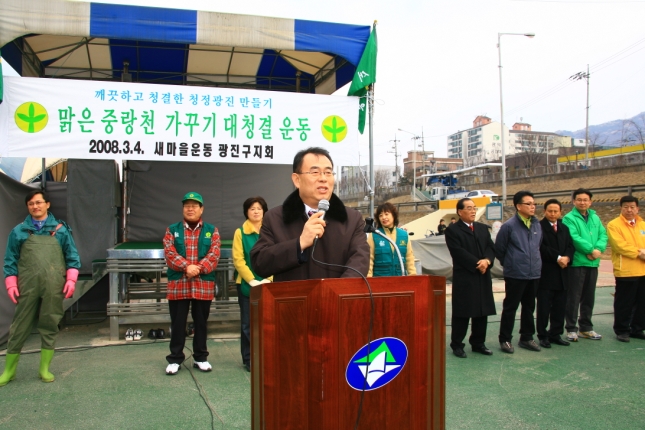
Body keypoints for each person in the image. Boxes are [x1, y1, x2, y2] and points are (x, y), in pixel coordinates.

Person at [251, 147, 369, 281]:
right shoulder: (275, 218)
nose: (323, 178)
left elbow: (360, 261)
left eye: (328, 172)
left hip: (337, 300)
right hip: (293, 301)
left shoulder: (352, 219)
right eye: (315, 172)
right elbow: (260, 263)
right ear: (297, 180)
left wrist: (336, 293)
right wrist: (299, 244)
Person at [0, 190, 80, 387]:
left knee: (50, 323)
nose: (35, 206)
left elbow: (72, 256)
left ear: (47, 204)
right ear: (28, 207)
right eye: (31, 204)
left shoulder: (61, 230)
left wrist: (71, 279)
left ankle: (44, 368)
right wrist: (10, 282)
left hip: (54, 284)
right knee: (20, 325)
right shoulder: (19, 231)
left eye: (38, 202)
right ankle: (9, 370)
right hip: (27, 285)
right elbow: (10, 259)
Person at [162, 192, 221, 375]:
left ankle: (200, 357)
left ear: (201, 209)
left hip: (203, 286)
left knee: (201, 323)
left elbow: (214, 254)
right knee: (178, 322)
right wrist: (187, 267)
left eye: (195, 205)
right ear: (183, 209)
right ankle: (175, 358)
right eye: (187, 205)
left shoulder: (212, 230)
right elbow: (169, 253)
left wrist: (198, 268)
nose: (190, 208)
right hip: (179, 285)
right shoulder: (172, 229)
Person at [445, 198, 496, 358]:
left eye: (474, 208)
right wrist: (477, 263)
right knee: (462, 312)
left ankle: (478, 343)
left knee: (482, 311)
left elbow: (490, 247)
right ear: (460, 212)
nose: (473, 211)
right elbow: (458, 252)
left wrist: (487, 261)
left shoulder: (482, 228)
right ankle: (457, 344)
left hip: (483, 275)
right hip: (465, 276)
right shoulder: (453, 230)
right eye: (469, 208)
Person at [495, 191, 543, 353]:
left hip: (534, 273)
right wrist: (511, 264)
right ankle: (505, 339)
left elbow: (538, 246)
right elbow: (500, 250)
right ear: (518, 206)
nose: (532, 207)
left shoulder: (537, 224)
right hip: (515, 274)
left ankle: (527, 337)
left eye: (533, 203)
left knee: (529, 306)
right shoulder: (509, 226)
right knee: (511, 307)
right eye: (528, 204)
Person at [562, 188, 607, 341]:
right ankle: (571, 328)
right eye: (579, 199)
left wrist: (598, 249)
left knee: (589, 296)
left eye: (585, 200)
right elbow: (574, 237)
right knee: (574, 297)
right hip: (578, 263)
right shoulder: (569, 218)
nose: (582, 202)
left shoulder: (595, 217)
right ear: (574, 201)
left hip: (593, 263)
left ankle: (586, 328)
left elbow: (603, 235)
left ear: (590, 202)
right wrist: (589, 250)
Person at [232, 196, 272, 372]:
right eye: (252, 209)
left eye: (259, 208)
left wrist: (268, 279)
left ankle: (266, 356)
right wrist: (252, 280)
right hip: (247, 284)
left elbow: (275, 256)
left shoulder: (271, 231)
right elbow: (238, 260)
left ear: (264, 211)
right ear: (246, 212)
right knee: (248, 324)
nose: (256, 211)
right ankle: (248, 358)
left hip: (268, 283)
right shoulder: (240, 232)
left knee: (267, 323)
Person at [536, 199, 575, 348]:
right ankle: (542, 335)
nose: (553, 214)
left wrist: (567, 257)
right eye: (550, 211)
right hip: (546, 274)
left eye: (556, 211)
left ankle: (555, 334)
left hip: (563, 274)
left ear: (560, 212)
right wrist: (558, 257)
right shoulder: (538, 227)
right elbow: (541, 247)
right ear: (544, 211)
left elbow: (571, 246)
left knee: (560, 306)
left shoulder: (564, 228)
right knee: (544, 307)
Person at [606, 196, 645, 342]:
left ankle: (638, 328)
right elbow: (619, 246)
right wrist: (639, 253)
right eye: (626, 207)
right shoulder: (614, 225)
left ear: (637, 208)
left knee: (642, 302)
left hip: (643, 270)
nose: (629, 210)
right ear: (621, 208)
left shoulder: (642, 225)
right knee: (624, 302)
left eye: (632, 207)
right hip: (626, 271)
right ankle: (622, 330)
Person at [367, 202, 416, 277]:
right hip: (380, 280)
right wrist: (368, 278)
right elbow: (369, 259)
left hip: (400, 278)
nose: (383, 217)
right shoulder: (374, 235)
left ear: (393, 215)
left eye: (386, 214)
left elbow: (409, 257)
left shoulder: (404, 235)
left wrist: (412, 275)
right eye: (380, 215)